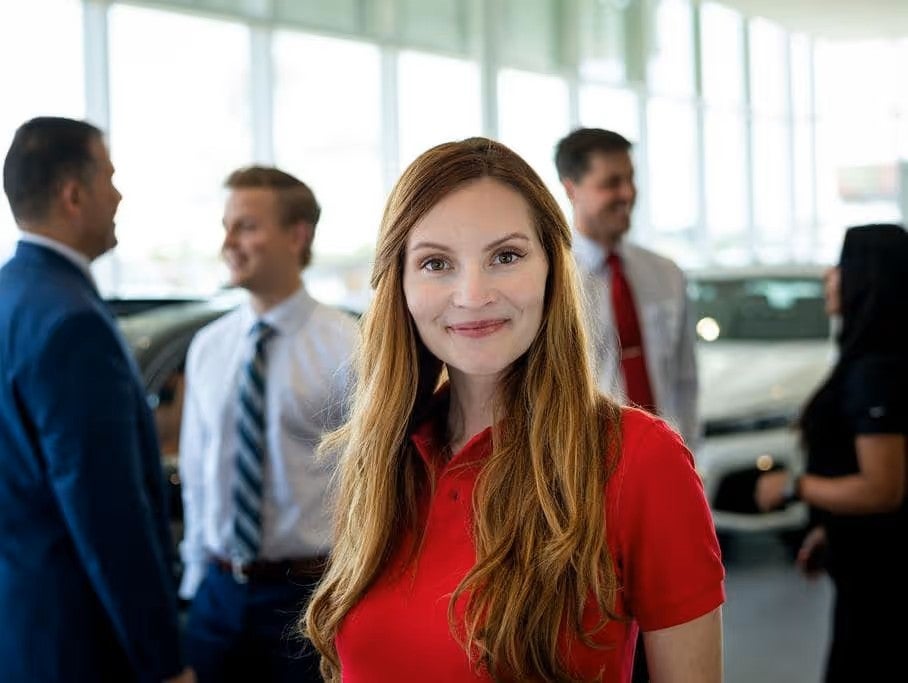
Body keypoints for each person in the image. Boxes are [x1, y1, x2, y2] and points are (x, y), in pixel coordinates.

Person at [302, 138, 724, 683]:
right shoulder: (382, 456)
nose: (472, 295)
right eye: (436, 263)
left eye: (506, 256)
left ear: (552, 267)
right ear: (400, 285)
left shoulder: (639, 459)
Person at [0, 117, 191, 682]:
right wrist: (165, 660)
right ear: (73, 194)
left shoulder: (12, 297)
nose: (119, 194)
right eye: (109, 176)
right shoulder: (73, 322)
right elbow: (107, 511)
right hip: (79, 639)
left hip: (22, 625)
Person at [179, 165, 358, 682]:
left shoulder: (350, 347)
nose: (228, 242)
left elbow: (372, 485)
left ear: (297, 235)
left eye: (246, 226)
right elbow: (196, 471)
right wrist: (194, 582)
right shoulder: (209, 347)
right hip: (216, 595)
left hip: (308, 597)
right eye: (226, 227)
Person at [756, 223, 908, 683]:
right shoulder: (881, 359)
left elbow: (883, 488)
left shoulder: (875, 371)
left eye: (841, 266)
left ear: (868, 278)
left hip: (883, 586)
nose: (829, 275)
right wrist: (832, 530)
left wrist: (792, 487)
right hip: (869, 569)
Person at [554, 128, 699, 448]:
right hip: (587, 465)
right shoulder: (553, 283)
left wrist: (688, 454)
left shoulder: (666, 274)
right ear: (571, 189)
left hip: (664, 458)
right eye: (611, 183)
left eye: (631, 179)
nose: (628, 193)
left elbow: (685, 381)